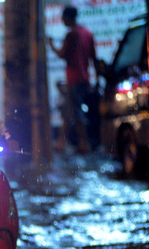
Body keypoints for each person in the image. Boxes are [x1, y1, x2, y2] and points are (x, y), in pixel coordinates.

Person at [49, 6, 97, 155]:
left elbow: (63, 54)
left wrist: (50, 45)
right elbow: (93, 58)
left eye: (63, 18)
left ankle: (83, 143)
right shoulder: (87, 34)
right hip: (84, 79)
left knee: (74, 112)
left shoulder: (72, 35)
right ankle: (61, 143)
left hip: (74, 79)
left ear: (69, 18)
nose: (62, 20)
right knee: (69, 111)